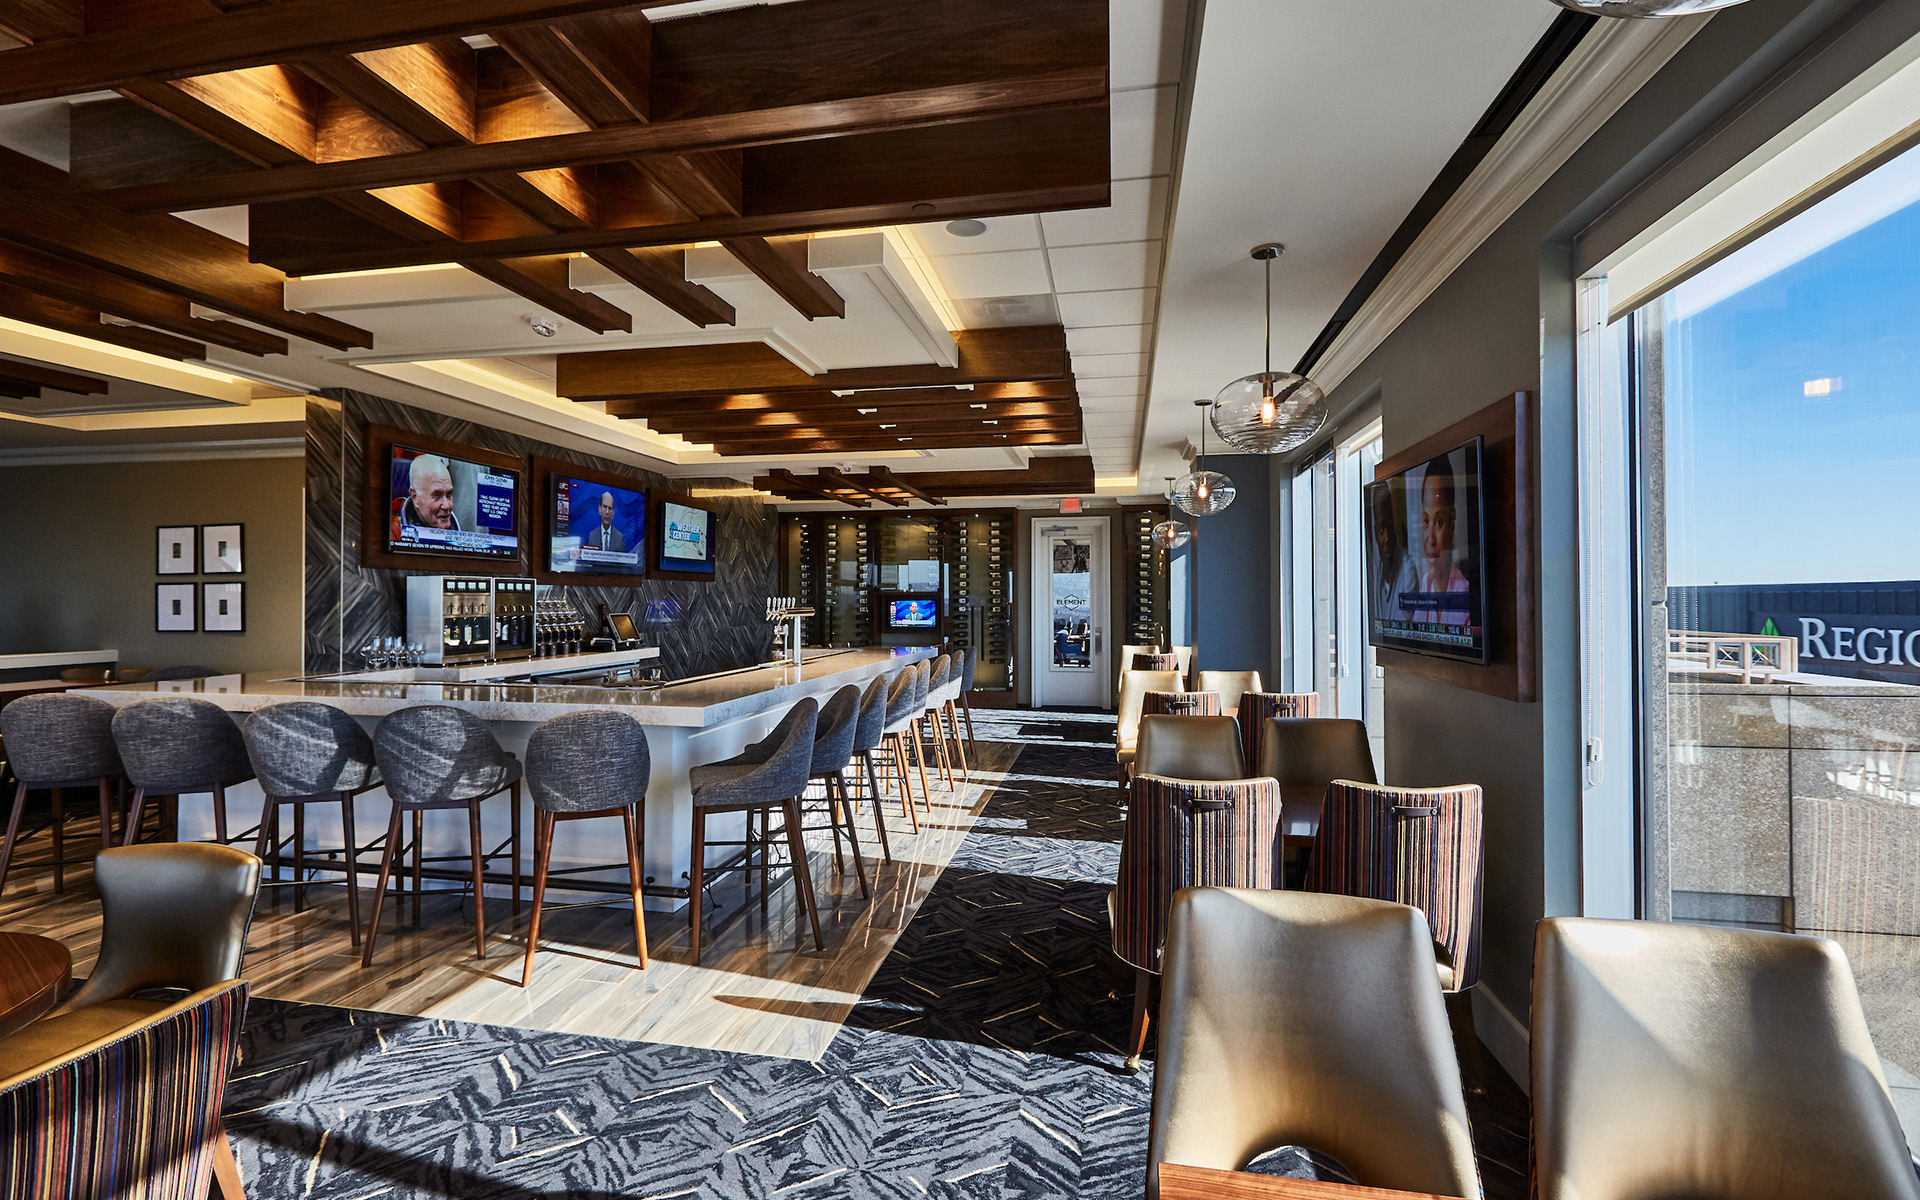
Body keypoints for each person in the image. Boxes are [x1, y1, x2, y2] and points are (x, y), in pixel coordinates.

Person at [1406, 456, 1471, 627]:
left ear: (1452, 523)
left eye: (1439, 522)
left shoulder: (1465, 596)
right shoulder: (1426, 584)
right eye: (1426, 521)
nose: (1431, 540)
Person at [399, 454, 459, 532]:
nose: (447, 506)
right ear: (415, 497)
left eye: (449, 495)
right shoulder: (393, 530)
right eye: (436, 496)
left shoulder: (457, 529)